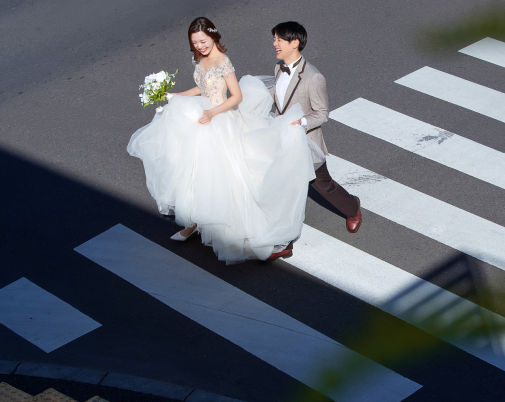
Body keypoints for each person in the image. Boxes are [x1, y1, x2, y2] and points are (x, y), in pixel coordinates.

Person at [127, 17, 315, 263]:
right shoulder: (201, 59)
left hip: (220, 120)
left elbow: (235, 96)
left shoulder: (223, 62)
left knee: (222, 176)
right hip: (203, 118)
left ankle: (226, 226)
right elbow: (203, 88)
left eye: (203, 42)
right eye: (195, 43)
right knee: (193, 172)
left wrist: (212, 113)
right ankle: (195, 222)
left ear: (214, 37)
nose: (200, 47)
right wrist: (177, 96)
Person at [266, 21, 361, 261]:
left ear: (294, 43)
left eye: (279, 39)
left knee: (323, 186)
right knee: (283, 188)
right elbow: (278, 97)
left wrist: (301, 123)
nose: (274, 43)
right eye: (275, 39)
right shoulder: (279, 68)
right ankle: (283, 243)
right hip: (282, 142)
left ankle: (352, 207)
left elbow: (322, 114)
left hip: (307, 144)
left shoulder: (313, 77)